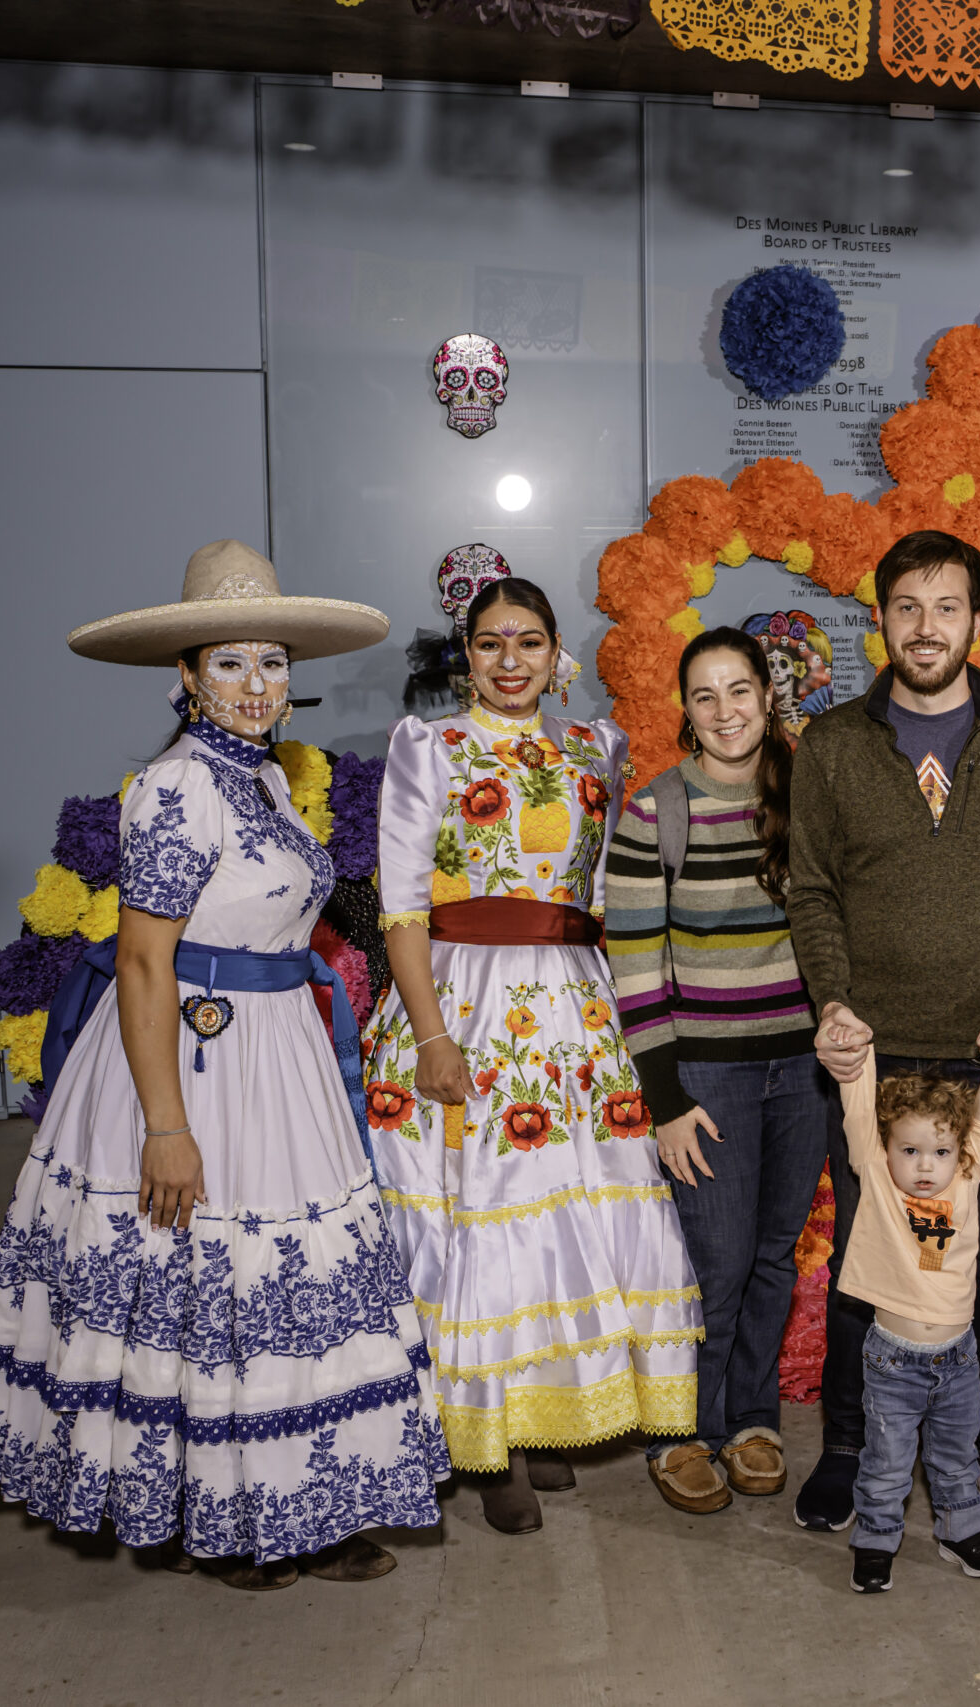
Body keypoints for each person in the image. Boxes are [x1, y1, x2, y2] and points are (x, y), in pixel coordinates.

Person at [0, 540, 444, 1590]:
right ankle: (202, 1510)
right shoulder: (176, 786)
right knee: (197, 1280)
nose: (257, 684)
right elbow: (140, 962)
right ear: (186, 675)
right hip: (196, 1059)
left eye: (272, 661)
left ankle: (296, 1502)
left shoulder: (260, 776)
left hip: (278, 1056)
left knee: (279, 1281)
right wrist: (165, 1126)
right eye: (230, 662)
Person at [362, 555, 702, 1534]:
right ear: (465, 657)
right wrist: (432, 1036)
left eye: (529, 642)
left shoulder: (597, 747)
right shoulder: (430, 748)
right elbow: (401, 909)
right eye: (490, 644)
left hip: (576, 1016)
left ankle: (544, 1411)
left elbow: (610, 892)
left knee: (566, 1221)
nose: (510, 660)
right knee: (483, 1218)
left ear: (558, 658)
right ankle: (488, 1443)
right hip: (462, 1005)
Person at [783, 529, 980, 1535]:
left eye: (946, 607)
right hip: (871, 1055)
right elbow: (814, 891)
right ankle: (848, 1446)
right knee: (864, 1257)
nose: (926, 627)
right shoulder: (832, 744)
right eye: (906, 607)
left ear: (977, 620)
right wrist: (833, 1002)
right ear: (879, 619)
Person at [605, 627, 831, 1514]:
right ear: (686, 710)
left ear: (768, 695)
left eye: (740, 690)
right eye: (705, 696)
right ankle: (682, 1430)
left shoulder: (811, 793)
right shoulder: (656, 811)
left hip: (804, 1068)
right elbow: (634, 970)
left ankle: (751, 1418)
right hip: (707, 1077)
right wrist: (666, 1101)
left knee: (774, 1254)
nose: (726, 710)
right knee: (716, 1261)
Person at [838, 1060, 980, 1592]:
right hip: (893, 1362)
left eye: (939, 1152)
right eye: (909, 1150)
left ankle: (961, 1531)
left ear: (959, 1154)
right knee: (887, 1462)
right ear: (886, 1149)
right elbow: (858, 1109)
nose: (924, 1166)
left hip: (959, 1359)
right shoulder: (877, 1176)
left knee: (957, 1458)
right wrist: (854, 1049)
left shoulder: (965, 1178)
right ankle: (875, 1539)